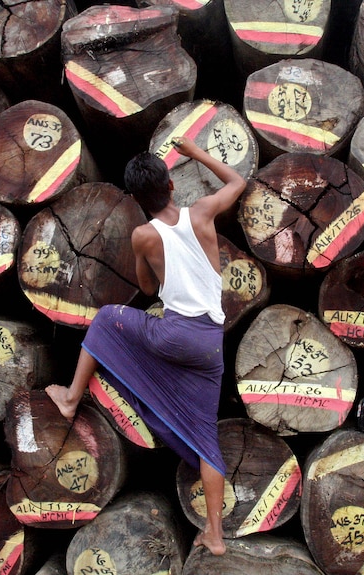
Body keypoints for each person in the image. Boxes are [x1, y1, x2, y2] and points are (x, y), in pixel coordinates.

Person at [46, 135, 247, 556]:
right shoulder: (203, 212)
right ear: (171, 185)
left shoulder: (143, 235)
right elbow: (237, 182)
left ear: (137, 198)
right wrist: (195, 153)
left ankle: (70, 397)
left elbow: (145, 287)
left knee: (105, 319)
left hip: (172, 335)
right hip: (211, 343)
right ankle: (215, 534)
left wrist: (152, 264)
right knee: (206, 438)